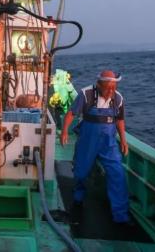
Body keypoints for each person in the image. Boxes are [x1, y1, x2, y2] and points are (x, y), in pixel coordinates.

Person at [60, 70, 131, 224]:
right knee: (81, 171)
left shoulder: (118, 98)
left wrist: (124, 141)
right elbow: (71, 113)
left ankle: (121, 215)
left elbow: (119, 120)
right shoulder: (86, 94)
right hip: (88, 140)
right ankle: (78, 199)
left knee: (117, 173)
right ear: (99, 85)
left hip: (109, 143)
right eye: (108, 87)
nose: (111, 91)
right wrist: (64, 131)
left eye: (113, 87)